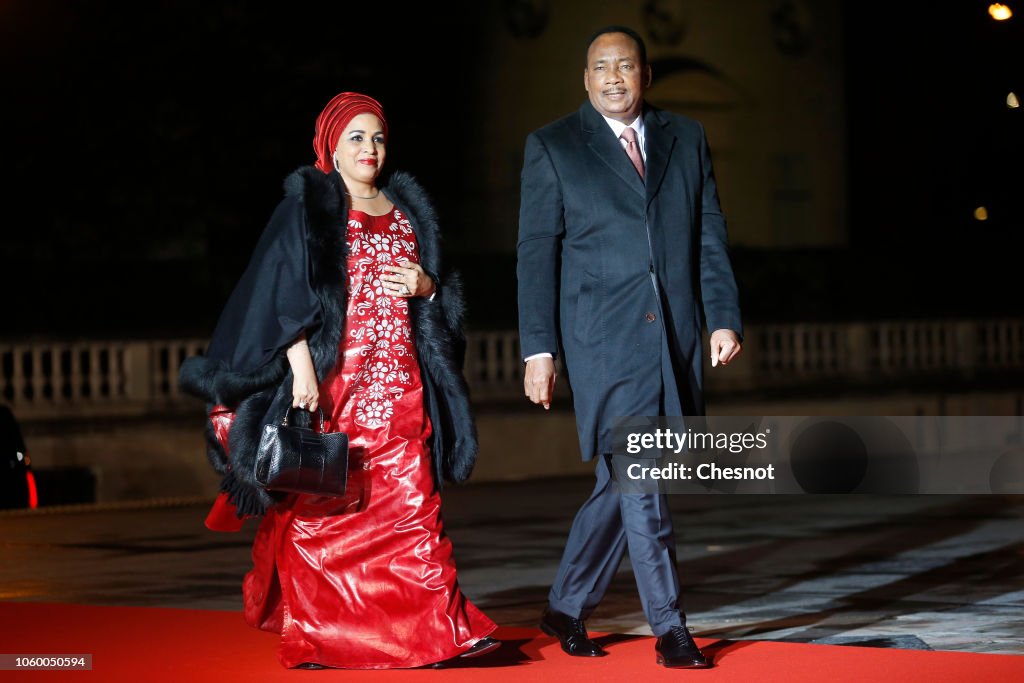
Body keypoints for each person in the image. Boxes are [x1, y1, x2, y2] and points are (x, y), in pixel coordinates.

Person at [180, 92, 498, 669]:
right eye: (355, 137)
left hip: (402, 384)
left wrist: (428, 287)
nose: (369, 149)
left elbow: (442, 298)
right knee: (325, 514)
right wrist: (300, 364)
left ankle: (440, 631)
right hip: (335, 387)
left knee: (415, 507)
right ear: (329, 145)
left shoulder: (407, 210)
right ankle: (322, 633)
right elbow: (278, 295)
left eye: (377, 137)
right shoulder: (311, 210)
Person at [516, 26, 743, 669]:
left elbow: (708, 235)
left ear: (646, 75)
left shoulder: (686, 137)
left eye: (626, 66)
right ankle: (671, 630)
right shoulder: (554, 146)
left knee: (625, 479)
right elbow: (536, 253)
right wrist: (540, 348)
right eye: (600, 68)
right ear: (584, 80)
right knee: (642, 481)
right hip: (602, 341)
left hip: (670, 337)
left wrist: (721, 317)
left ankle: (565, 605)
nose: (614, 77)